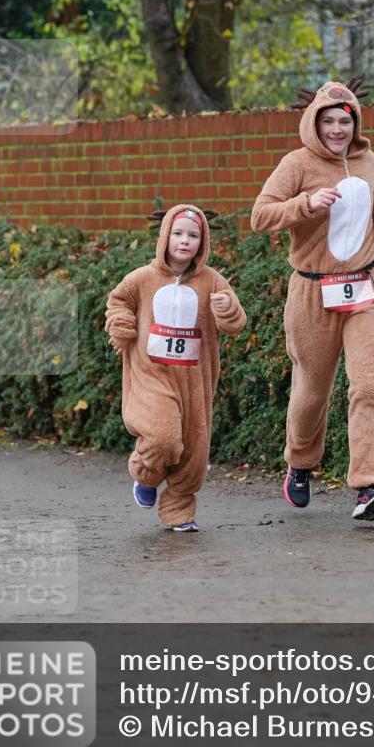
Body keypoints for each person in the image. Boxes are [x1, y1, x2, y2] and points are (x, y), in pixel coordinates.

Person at [251, 80, 374, 522]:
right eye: (329, 121)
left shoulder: (367, 159)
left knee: (369, 382)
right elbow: (260, 215)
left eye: (344, 121)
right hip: (313, 292)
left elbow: (372, 194)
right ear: (314, 124)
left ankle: (371, 484)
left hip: (367, 285)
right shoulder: (296, 163)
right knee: (312, 393)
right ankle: (299, 462)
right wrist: (306, 203)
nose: (337, 129)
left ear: (356, 124)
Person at [105, 204, 246, 532]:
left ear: (203, 242)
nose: (185, 241)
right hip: (151, 374)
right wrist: (122, 327)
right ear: (164, 237)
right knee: (163, 437)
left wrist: (227, 308)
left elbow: (235, 324)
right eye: (178, 233)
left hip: (195, 379)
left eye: (193, 236)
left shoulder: (212, 281)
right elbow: (118, 302)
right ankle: (146, 473)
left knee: (194, 450)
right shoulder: (142, 278)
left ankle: (179, 511)